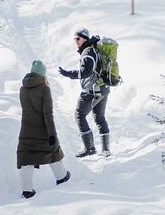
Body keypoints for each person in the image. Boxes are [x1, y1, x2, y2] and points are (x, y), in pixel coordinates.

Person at [17, 60, 71, 199]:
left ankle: (27, 191)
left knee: (26, 158)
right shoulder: (44, 88)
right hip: (42, 129)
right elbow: (48, 114)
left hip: (26, 129)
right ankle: (62, 177)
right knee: (53, 152)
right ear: (42, 74)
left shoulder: (23, 88)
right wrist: (52, 133)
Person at [58, 28, 111, 157]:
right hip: (103, 88)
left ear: (85, 39)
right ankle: (105, 150)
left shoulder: (88, 53)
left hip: (91, 90)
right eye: (74, 39)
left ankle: (90, 148)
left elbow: (85, 73)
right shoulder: (95, 50)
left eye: (78, 39)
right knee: (100, 117)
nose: (76, 41)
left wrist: (67, 73)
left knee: (79, 115)